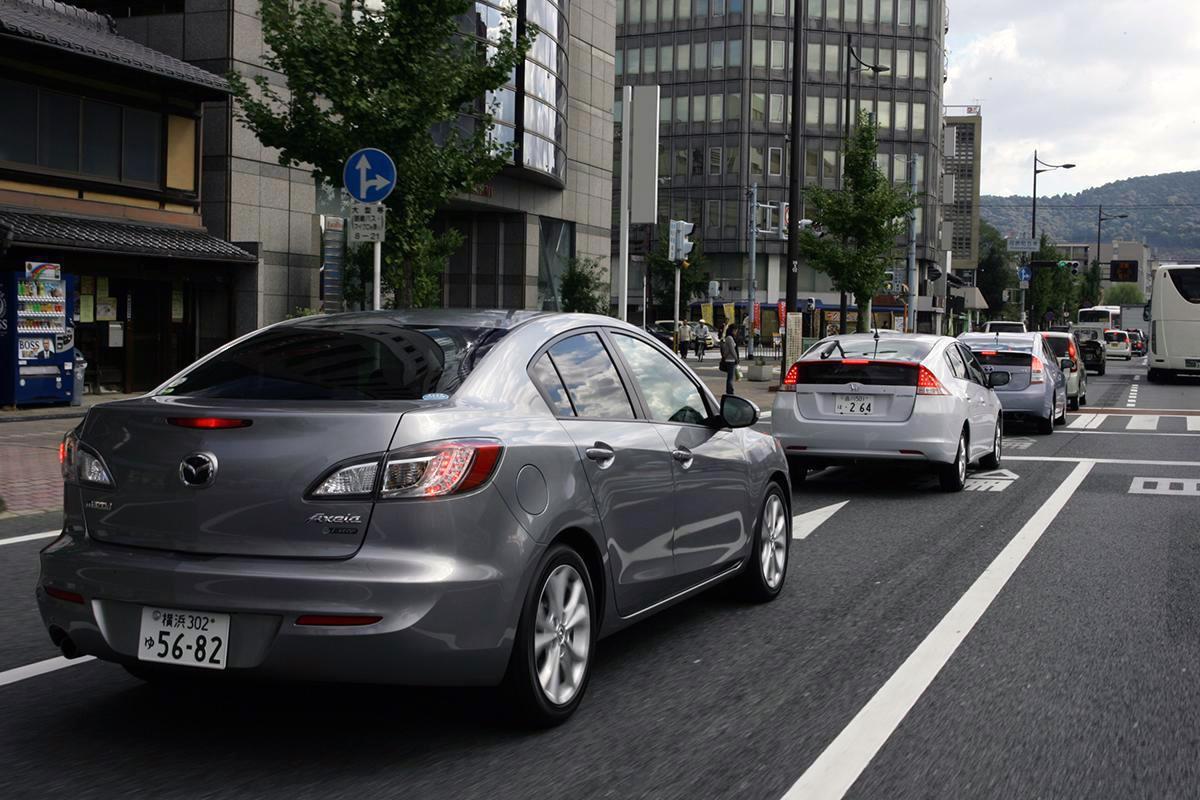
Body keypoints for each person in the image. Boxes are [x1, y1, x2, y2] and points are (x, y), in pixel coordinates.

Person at [719, 323, 739, 395]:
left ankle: (729, 390)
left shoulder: (730, 338)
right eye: (736, 330)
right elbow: (732, 349)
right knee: (730, 377)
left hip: (730, 359)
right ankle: (730, 391)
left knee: (730, 376)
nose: (736, 332)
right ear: (733, 330)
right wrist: (736, 358)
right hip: (730, 360)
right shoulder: (729, 338)